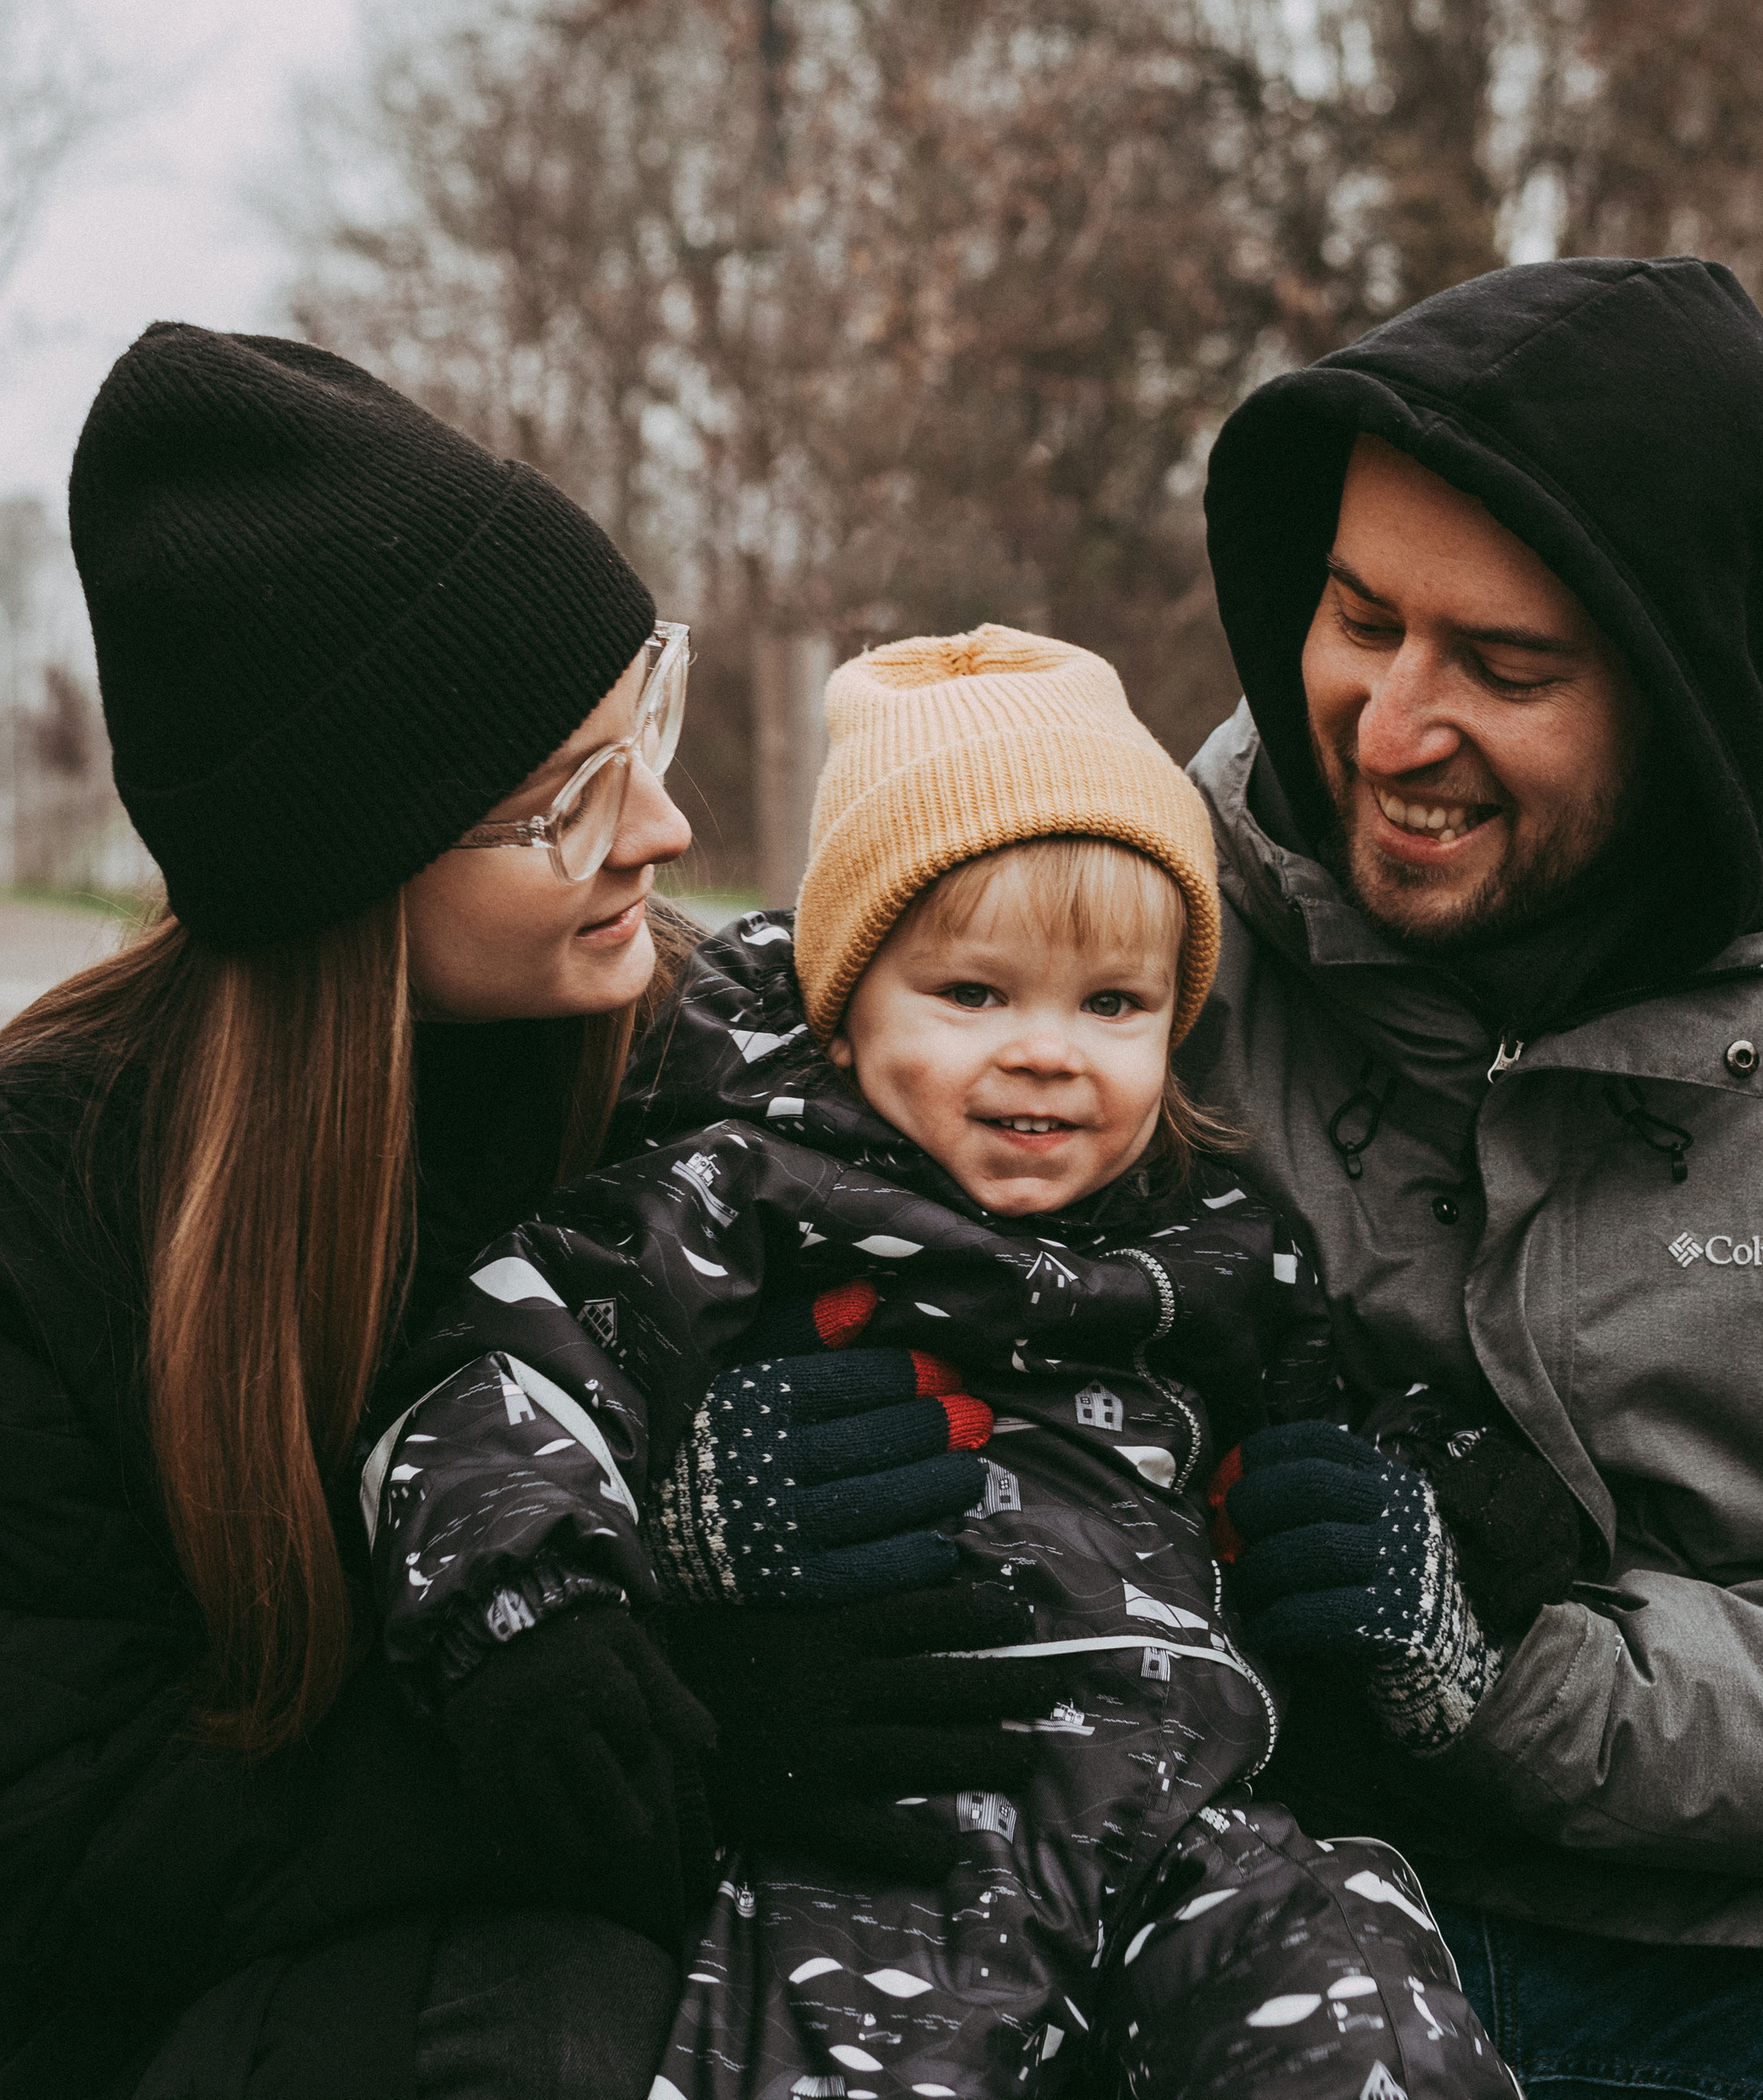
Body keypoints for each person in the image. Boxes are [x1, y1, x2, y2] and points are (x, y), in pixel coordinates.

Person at [0, 325, 1051, 2100]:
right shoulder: (54, 1198)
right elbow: (67, 1828)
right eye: (564, 798)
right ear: (349, 864)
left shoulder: (726, 1069)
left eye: (637, 712)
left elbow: (1080, 1252)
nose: (666, 819)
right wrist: (653, 1729)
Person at [365, 625, 1522, 2100]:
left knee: (1372, 2020)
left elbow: (1339, 1445)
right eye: (973, 995)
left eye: (1113, 1004)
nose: (1048, 1052)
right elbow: (501, 1372)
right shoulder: (746, 1193)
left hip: (1196, 1815)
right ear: (849, 1010)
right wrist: (540, 1599)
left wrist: (1434, 1553)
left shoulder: (1226, 1238)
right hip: (899, 1828)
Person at [1177, 255, 1763, 2097]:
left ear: (1689, 698)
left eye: (1504, 666)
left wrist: (1515, 1673)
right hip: (1257, 1886)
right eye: (1358, 619)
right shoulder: (1141, 933)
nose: (1393, 729)